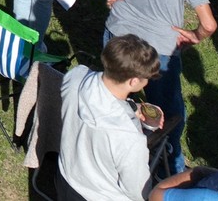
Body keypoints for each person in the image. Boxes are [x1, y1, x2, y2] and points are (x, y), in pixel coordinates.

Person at [76, 0, 218, 174]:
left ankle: (110, 147)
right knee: (169, 114)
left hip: (117, 37)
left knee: (114, 96)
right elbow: (209, 24)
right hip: (159, 53)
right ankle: (170, 169)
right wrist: (194, 37)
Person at [58, 35, 160, 201]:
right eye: (147, 78)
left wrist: (131, 107)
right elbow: (138, 191)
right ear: (133, 82)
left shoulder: (75, 77)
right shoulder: (130, 137)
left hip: (66, 176)